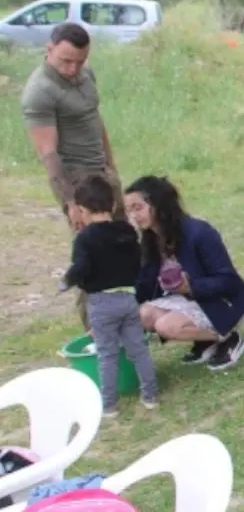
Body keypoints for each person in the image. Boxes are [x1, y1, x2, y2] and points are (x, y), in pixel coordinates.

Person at [21, 23, 125, 328]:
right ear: (49, 49)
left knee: (123, 242)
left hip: (102, 172)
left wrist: (111, 166)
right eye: (65, 60)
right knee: (94, 254)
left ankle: (129, 320)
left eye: (79, 61)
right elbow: (48, 153)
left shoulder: (84, 73)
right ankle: (95, 330)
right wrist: (71, 202)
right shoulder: (39, 92)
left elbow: (95, 118)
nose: (72, 68)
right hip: (77, 181)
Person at [127, 176, 244, 372]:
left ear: (157, 204)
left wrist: (191, 287)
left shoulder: (199, 232)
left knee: (165, 326)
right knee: (142, 314)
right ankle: (205, 341)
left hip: (222, 302)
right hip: (188, 301)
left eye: (138, 207)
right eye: (130, 210)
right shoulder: (150, 239)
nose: (133, 215)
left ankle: (228, 337)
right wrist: (118, 314)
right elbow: (144, 284)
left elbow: (229, 281)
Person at [63, 175, 158, 417]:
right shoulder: (126, 230)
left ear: (82, 210)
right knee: (138, 349)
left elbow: (81, 268)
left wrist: (69, 281)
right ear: (113, 205)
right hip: (128, 299)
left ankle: (109, 405)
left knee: (107, 355)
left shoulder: (84, 238)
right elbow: (137, 260)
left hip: (101, 303)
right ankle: (150, 395)